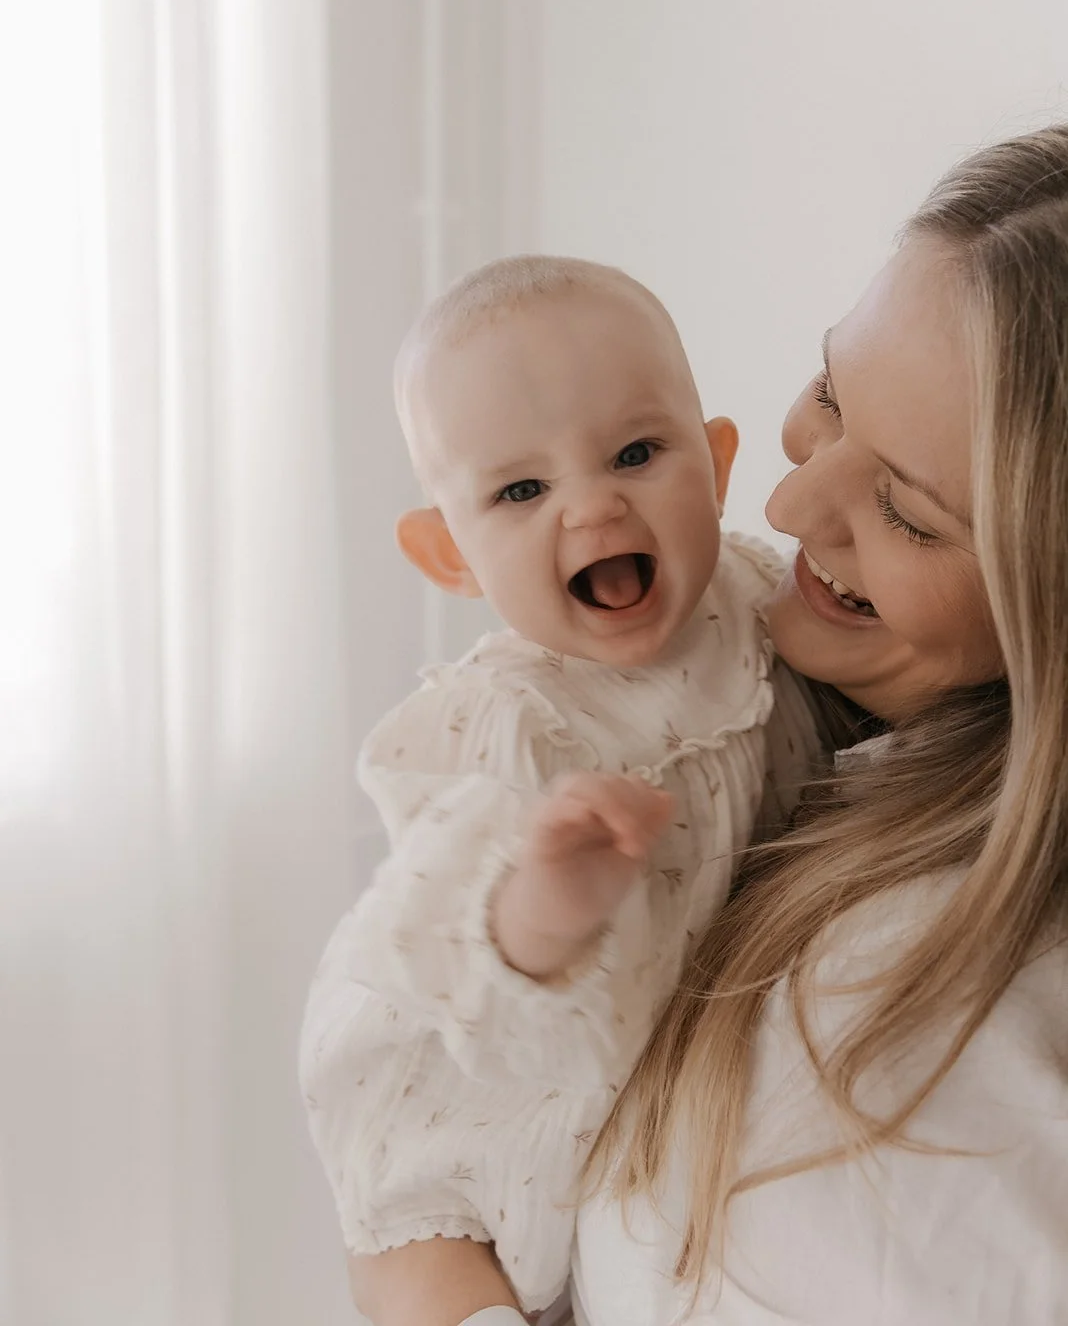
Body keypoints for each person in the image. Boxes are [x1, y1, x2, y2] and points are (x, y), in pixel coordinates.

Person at [346, 123, 1068, 1326]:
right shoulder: (571, 708)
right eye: (832, 393)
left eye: (907, 511)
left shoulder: (899, 1047)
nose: (786, 503)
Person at [299, 257, 821, 1317]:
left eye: (636, 452)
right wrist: (553, 900)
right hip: (467, 1049)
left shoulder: (754, 597)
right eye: (522, 490)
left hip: (654, 1030)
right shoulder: (502, 726)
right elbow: (473, 946)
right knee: (429, 1238)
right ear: (450, 553)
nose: (592, 506)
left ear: (716, 464)